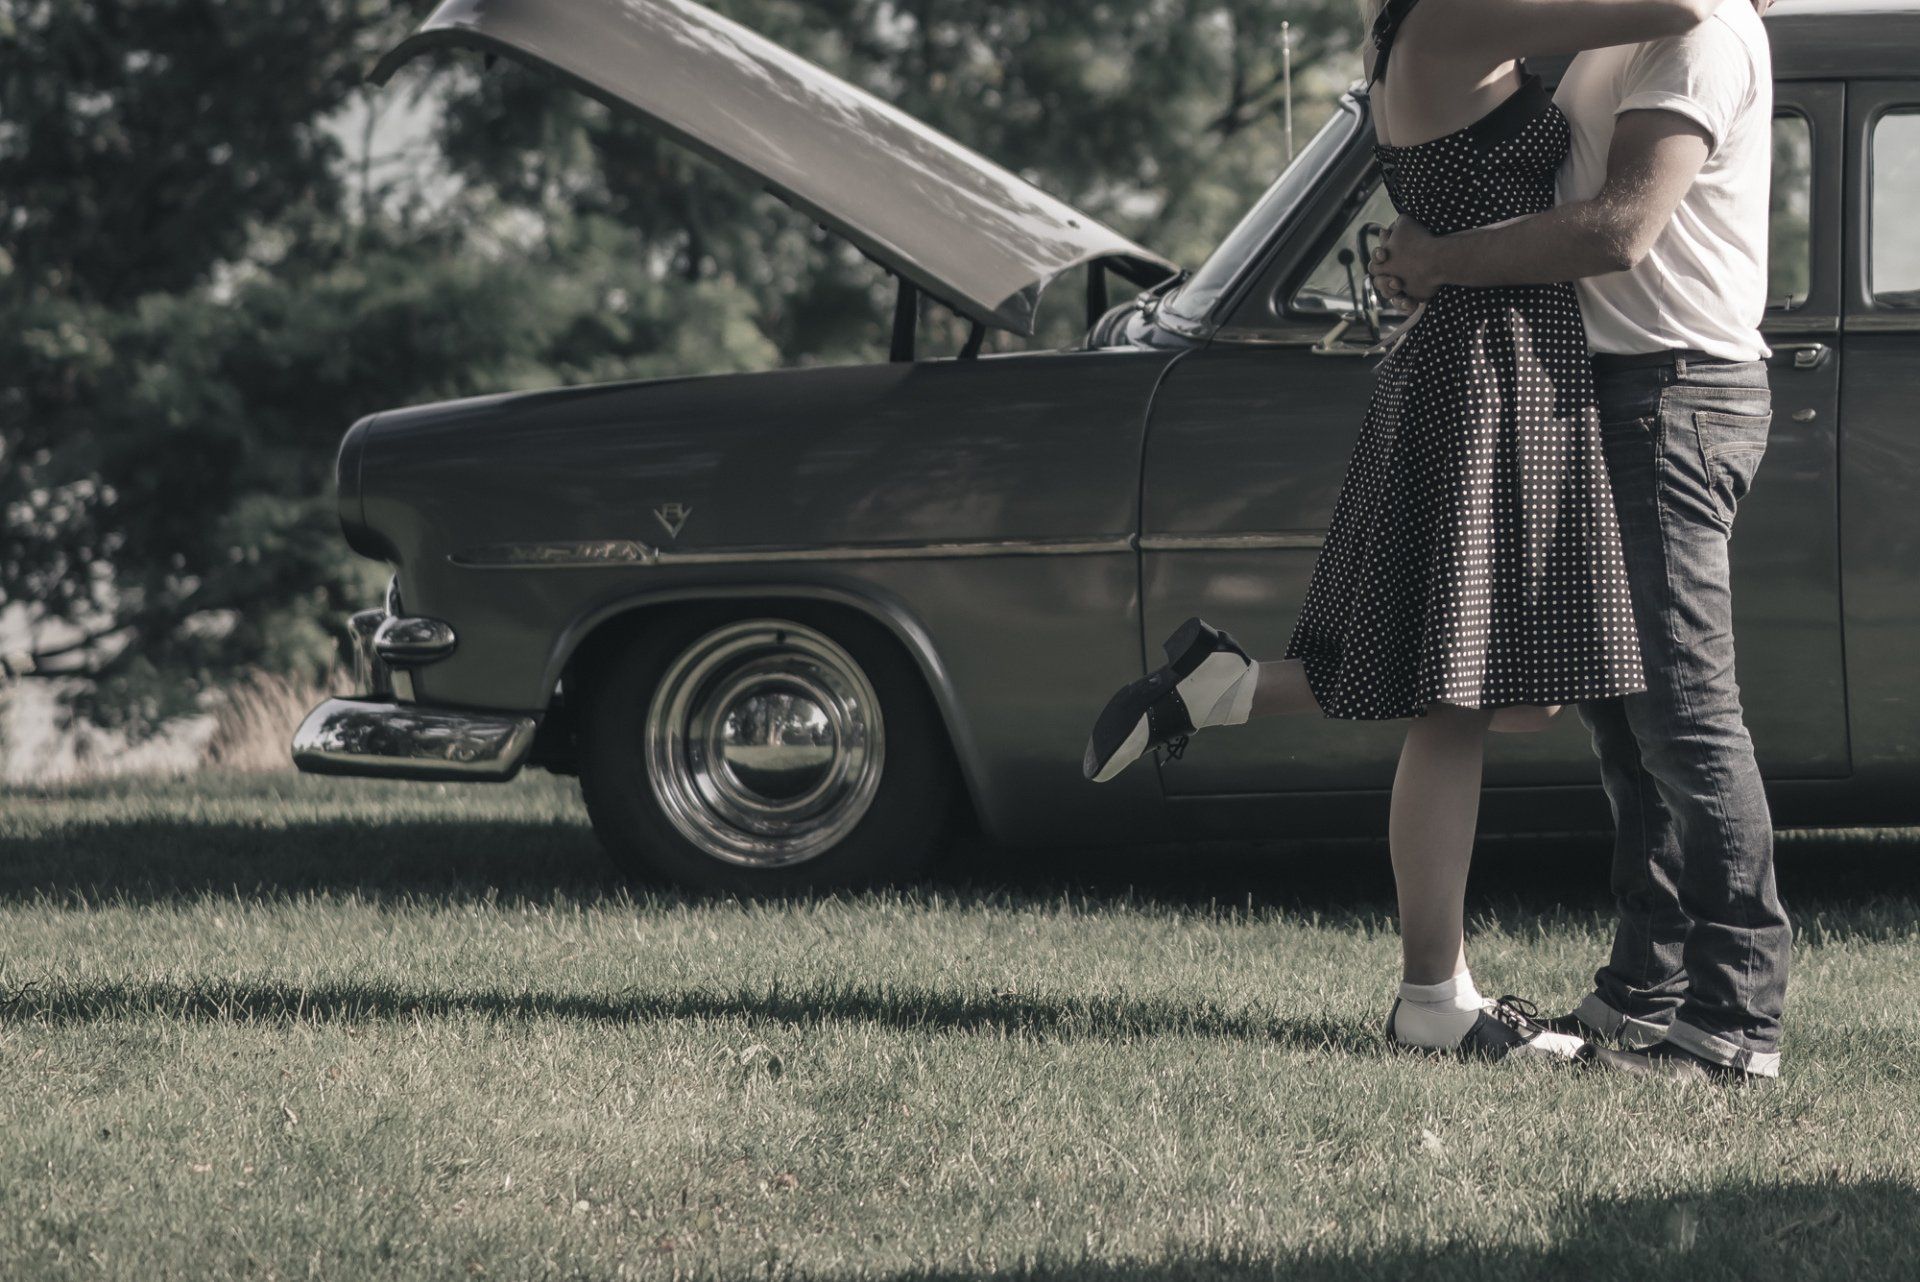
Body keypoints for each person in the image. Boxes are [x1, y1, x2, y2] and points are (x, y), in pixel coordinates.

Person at [1084, 0, 1731, 1063]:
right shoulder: (1452, 20)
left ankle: (1227, 687)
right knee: (1462, 696)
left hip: (1502, 359)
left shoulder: (1437, 24)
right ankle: (1435, 996)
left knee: (1510, 693)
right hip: (1485, 368)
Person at [1367, 0, 1785, 1083]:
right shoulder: (1622, 30)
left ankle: (1736, 1022)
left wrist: (1442, 257)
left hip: (1673, 392)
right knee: (1623, 719)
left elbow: (1621, 229)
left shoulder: (1703, 36)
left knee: (1687, 717)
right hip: (1602, 389)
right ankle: (1644, 985)